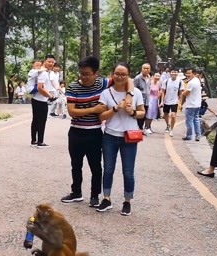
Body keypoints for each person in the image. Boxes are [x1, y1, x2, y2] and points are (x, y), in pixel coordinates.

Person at [60, 57, 112, 206]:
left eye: (87, 74)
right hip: (76, 132)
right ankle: (76, 192)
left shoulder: (103, 83)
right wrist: (94, 109)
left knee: (96, 166)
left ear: (96, 73)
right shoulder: (73, 87)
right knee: (76, 164)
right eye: (81, 73)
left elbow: (125, 79)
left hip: (94, 133)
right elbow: (72, 111)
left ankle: (95, 195)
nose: (84, 77)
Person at [97, 62, 145, 216]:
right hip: (110, 136)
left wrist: (132, 112)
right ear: (112, 74)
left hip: (129, 137)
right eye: (117, 73)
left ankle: (127, 201)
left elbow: (142, 113)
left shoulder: (135, 93)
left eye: (123, 74)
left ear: (128, 76)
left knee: (128, 171)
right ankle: (106, 198)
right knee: (108, 169)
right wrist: (116, 108)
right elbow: (101, 116)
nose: (120, 76)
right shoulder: (106, 93)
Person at [31, 55, 57, 148]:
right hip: (41, 100)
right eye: (49, 61)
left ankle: (34, 140)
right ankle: (40, 142)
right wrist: (48, 96)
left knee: (35, 120)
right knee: (42, 121)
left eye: (52, 62)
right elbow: (39, 87)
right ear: (44, 62)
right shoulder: (44, 73)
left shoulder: (40, 71)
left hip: (35, 99)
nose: (51, 63)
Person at [160, 68, 183, 137]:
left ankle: (172, 130)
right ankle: (168, 125)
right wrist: (162, 101)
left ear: (177, 73)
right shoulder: (166, 81)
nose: (173, 73)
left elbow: (181, 93)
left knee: (173, 115)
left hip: (174, 101)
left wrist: (180, 103)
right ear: (170, 73)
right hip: (166, 101)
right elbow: (163, 92)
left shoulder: (180, 82)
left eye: (175, 72)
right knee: (165, 115)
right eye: (172, 72)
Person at [181, 67, 202, 141]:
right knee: (196, 119)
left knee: (189, 121)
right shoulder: (197, 80)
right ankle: (198, 135)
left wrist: (183, 91)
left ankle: (189, 136)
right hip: (197, 104)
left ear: (193, 73)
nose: (187, 75)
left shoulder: (191, 82)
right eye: (187, 73)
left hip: (191, 104)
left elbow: (186, 93)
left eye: (189, 73)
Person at [133, 63, 151, 134]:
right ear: (141, 69)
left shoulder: (149, 77)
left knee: (145, 114)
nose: (146, 70)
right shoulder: (137, 78)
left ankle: (141, 128)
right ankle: (138, 128)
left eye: (147, 68)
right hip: (140, 100)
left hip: (147, 100)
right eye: (144, 68)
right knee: (139, 114)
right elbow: (134, 88)